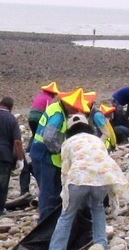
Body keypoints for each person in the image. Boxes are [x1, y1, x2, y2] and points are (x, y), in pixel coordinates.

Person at [47, 115, 129, 250]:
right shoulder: (97, 140)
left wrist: (65, 192)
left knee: (67, 214)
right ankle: (101, 243)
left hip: (79, 178)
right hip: (103, 177)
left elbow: (65, 169)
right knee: (97, 208)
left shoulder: (68, 142)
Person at [29, 87, 90, 221]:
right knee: (48, 190)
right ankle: (45, 220)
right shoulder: (57, 114)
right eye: (75, 108)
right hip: (44, 156)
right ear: (68, 104)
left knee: (55, 189)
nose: (77, 111)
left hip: (48, 156)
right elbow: (49, 137)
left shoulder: (60, 110)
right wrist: (62, 151)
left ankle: (54, 218)